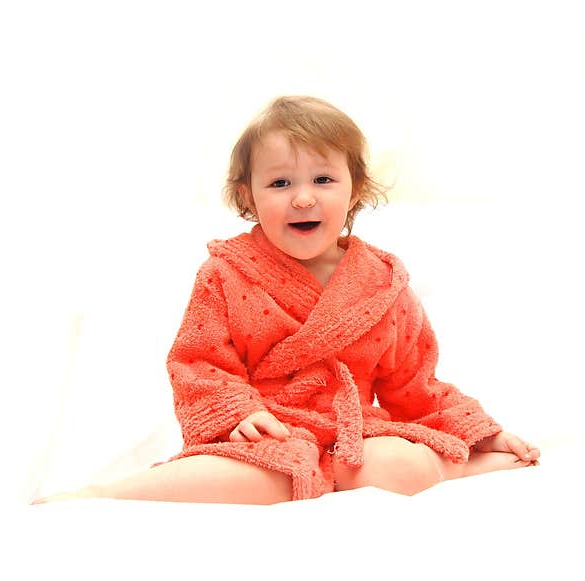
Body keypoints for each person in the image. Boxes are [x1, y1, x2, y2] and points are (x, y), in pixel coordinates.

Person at [33, 95, 539, 505]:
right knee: (263, 476)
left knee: (404, 465)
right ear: (247, 196)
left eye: (323, 179)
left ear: (354, 188)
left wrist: (476, 431)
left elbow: (415, 384)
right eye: (280, 183)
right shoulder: (225, 274)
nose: (302, 197)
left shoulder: (382, 284)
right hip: (272, 432)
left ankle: (470, 462)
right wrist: (236, 414)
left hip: (354, 436)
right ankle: (103, 497)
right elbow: (200, 362)